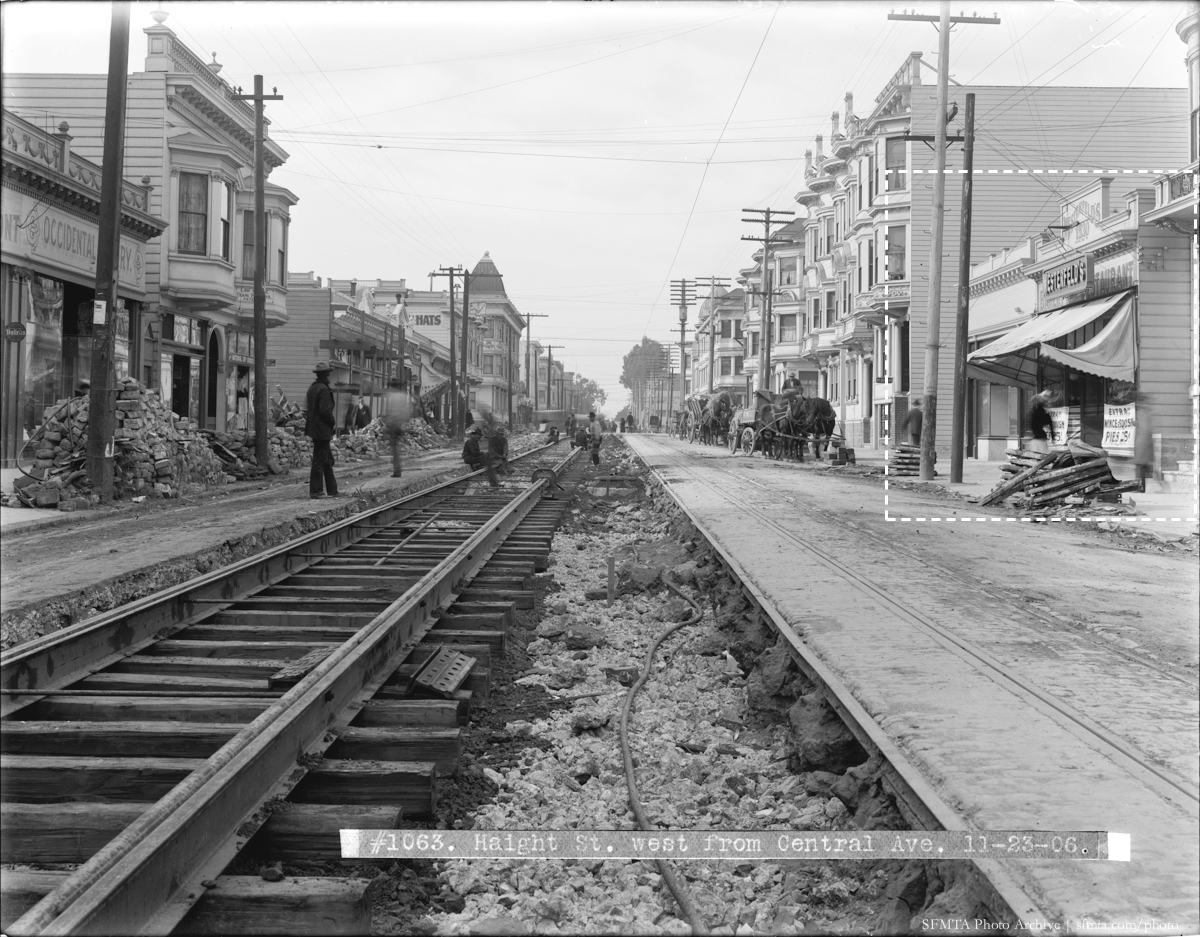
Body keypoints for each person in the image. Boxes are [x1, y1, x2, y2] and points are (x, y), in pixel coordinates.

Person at [305, 361, 338, 499]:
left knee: (327, 459)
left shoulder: (312, 389)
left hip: (314, 428)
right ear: (325, 375)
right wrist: (333, 423)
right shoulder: (323, 389)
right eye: (328, 375)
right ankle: (316, 490)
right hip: (322, 429)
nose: (329, 377)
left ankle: (332, 490)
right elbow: (325, 411)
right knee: (320, 460)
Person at [382, 379, 411, 478]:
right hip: (399, 424)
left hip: (393, 424)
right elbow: (406, 412)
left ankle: (397, 470)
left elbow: (391, 411)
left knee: (394, 448)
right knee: (395, 448)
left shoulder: (392, 396)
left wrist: (388, 423)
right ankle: (397, 468)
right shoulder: (403, 396)